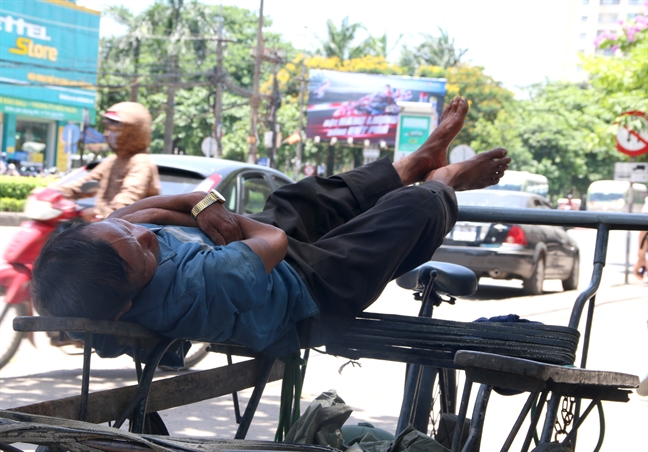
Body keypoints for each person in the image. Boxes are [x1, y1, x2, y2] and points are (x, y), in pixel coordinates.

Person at [31, 97, 511, 361]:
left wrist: (199, 204)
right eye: (142, 254)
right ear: (132, 300)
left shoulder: (108, 248)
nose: (144, 237)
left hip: (241, 248)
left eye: (127, 234)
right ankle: (442, 180)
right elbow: (273, 242)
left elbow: (136, 216)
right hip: (303, 294)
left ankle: (410, 163)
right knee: (405, 215)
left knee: (296, 199)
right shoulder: (200, 287)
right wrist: (216, 217)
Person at [53, 102, 161, 220]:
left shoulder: (141, 162)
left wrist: (105, 214)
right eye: (108, 129)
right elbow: (87, 183)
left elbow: (128, 196)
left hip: (132, 231)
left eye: (115, 130)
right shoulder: (112, 161)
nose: (107, 134)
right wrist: (56, 192)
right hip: (108, 227)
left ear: (133, 132)